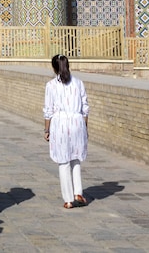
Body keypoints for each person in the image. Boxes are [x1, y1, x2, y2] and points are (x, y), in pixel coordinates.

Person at [43, 54, 90, 209]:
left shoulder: (51, 85)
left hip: (60, 124)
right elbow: (85, 108)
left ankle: (68, 199)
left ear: (54, 68)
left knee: (63, 161)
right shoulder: (78, 83)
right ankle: (78, 192)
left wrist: (46, 129)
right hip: (77, 123)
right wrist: (85, 128)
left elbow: (48, 110)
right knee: (76, 159)